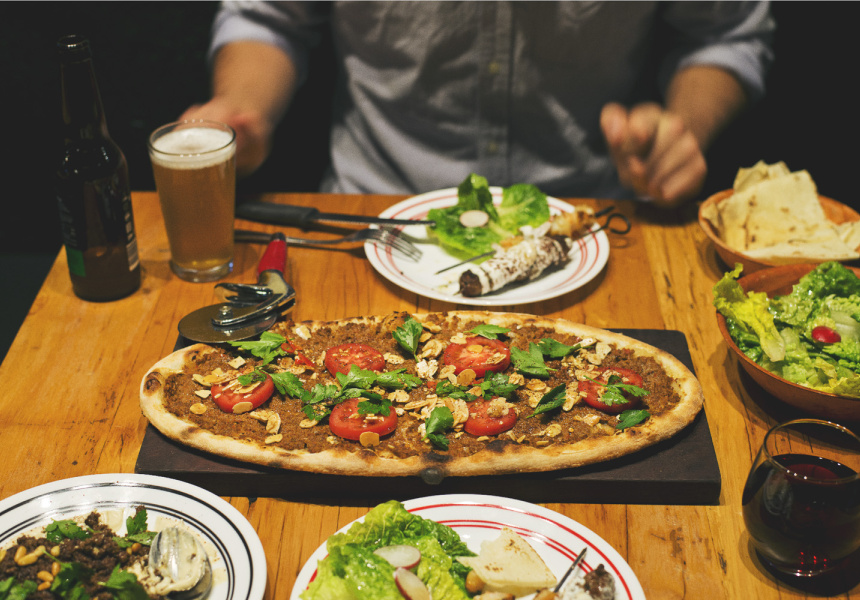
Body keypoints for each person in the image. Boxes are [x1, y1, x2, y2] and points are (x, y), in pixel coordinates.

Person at [183, 1, 774, 208]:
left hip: (590, 218)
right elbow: (267, 17)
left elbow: (726, 33)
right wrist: (242, 108)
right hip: (372, 215)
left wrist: (681, 130)